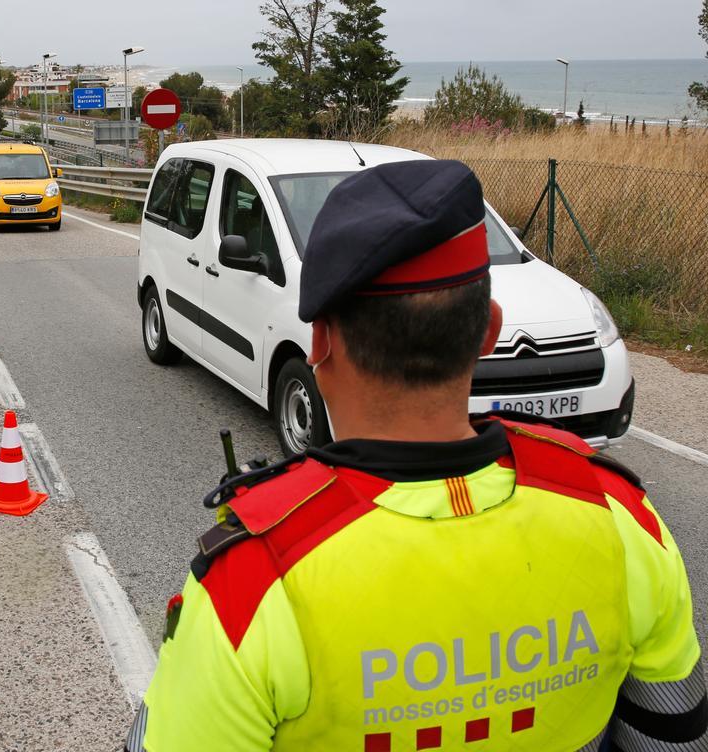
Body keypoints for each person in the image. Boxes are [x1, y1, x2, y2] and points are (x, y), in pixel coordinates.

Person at [126, 160, 706, 751]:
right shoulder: (621, 518)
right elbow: (673, 734)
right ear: (489, 332)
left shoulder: (254, 579)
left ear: (319, 342)